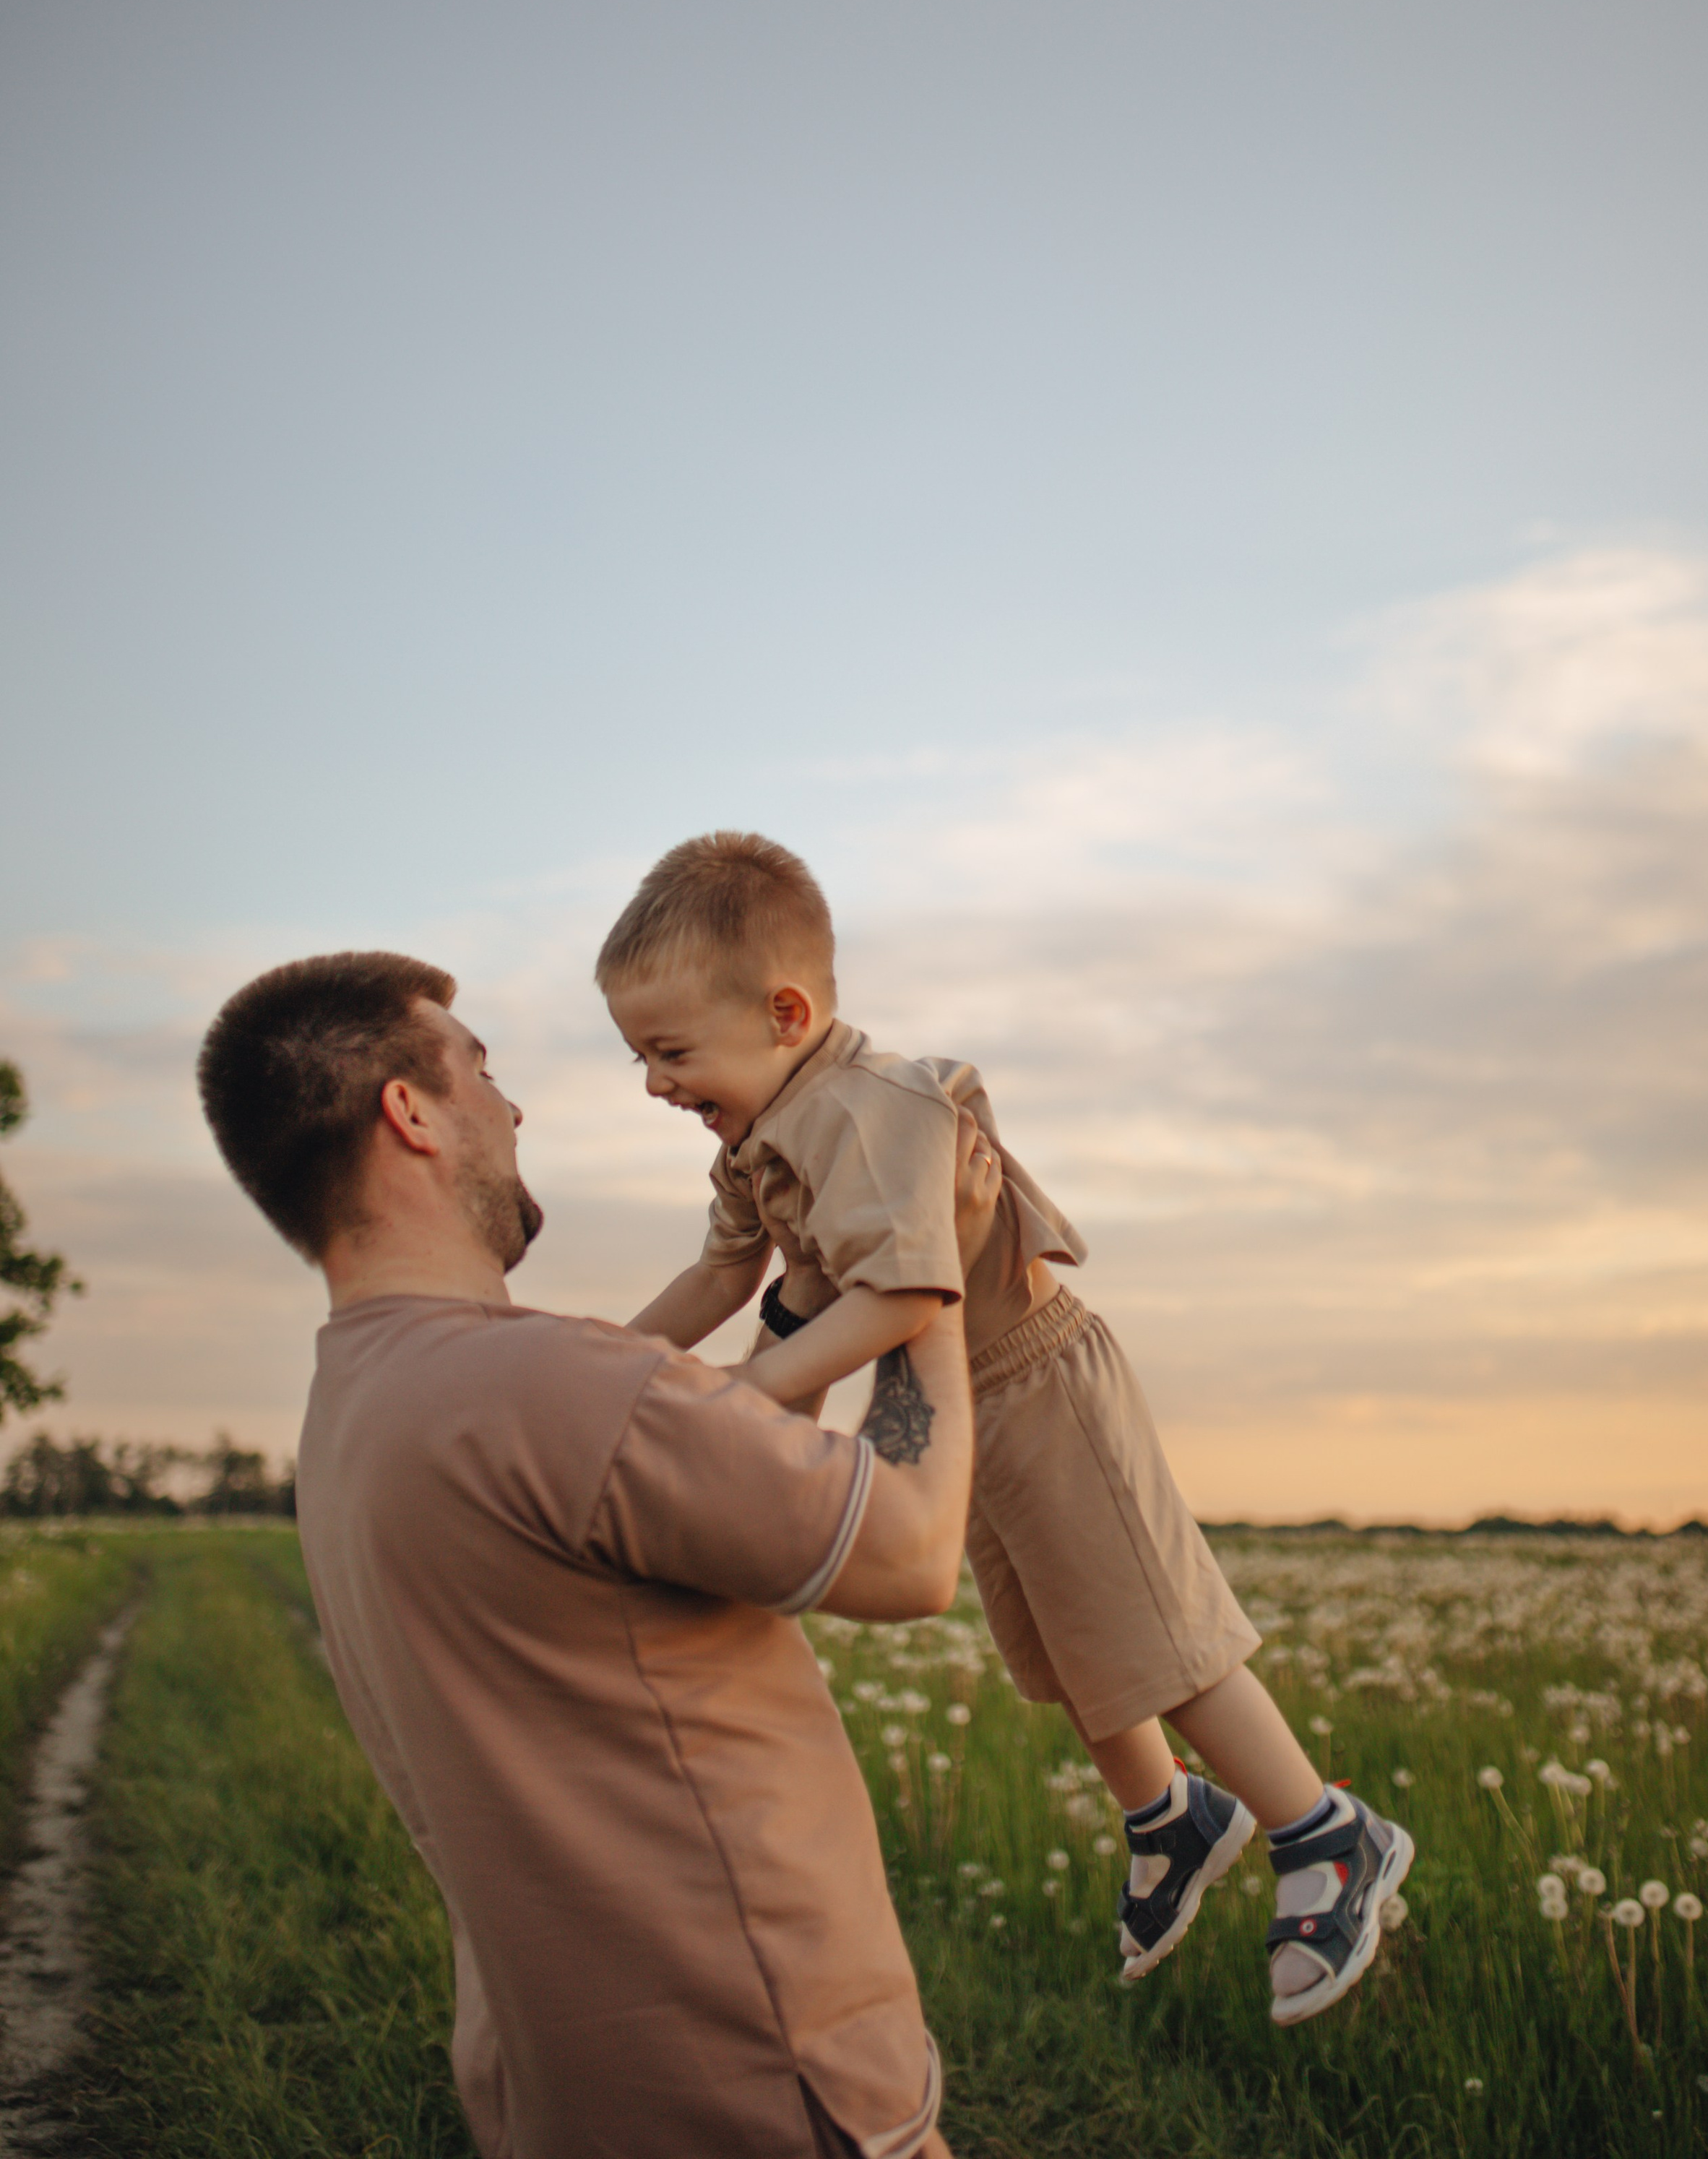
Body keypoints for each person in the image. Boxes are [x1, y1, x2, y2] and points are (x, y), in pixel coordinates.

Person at [196, 948, 999, 2159]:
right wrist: (923, 1268)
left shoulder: (357, 1405)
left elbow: (706, 1500)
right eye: (477, 1070)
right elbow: (915, 1553)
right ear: (408, 1115)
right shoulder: (550, 1381)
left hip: (564, 2094)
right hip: (770, 2082)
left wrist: (796, 1307)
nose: (510, 1107)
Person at [598, 835, 1414, 2024]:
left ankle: (1326, 1834)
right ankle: (1170, 1819)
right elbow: (724, 1275)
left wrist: (739, 1400)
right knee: (1064, 1640)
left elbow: (904, 1299)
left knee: (1155, 1636)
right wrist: (607, 1369)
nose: (658, 1086)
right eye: (640, 1059)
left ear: (785, 1013)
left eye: (672, 1053)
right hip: (963, 1401)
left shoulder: (867, 1112)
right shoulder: (761, 1136)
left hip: (1041, 1378)